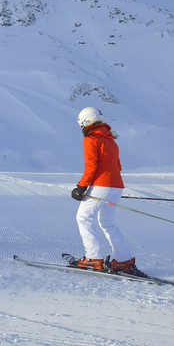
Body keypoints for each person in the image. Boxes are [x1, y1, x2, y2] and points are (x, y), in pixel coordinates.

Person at [71, 107, 140, 274]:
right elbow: (118, 166)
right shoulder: (110, 140)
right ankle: (123, 261)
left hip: (101, 185)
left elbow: (91, 165)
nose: (82, 128)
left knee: (83, 218)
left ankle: (93, 257)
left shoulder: (91, 139)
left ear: (86, 122)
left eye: (82, 125)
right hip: (116, 185)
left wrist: (81, 187)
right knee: (107, 222)